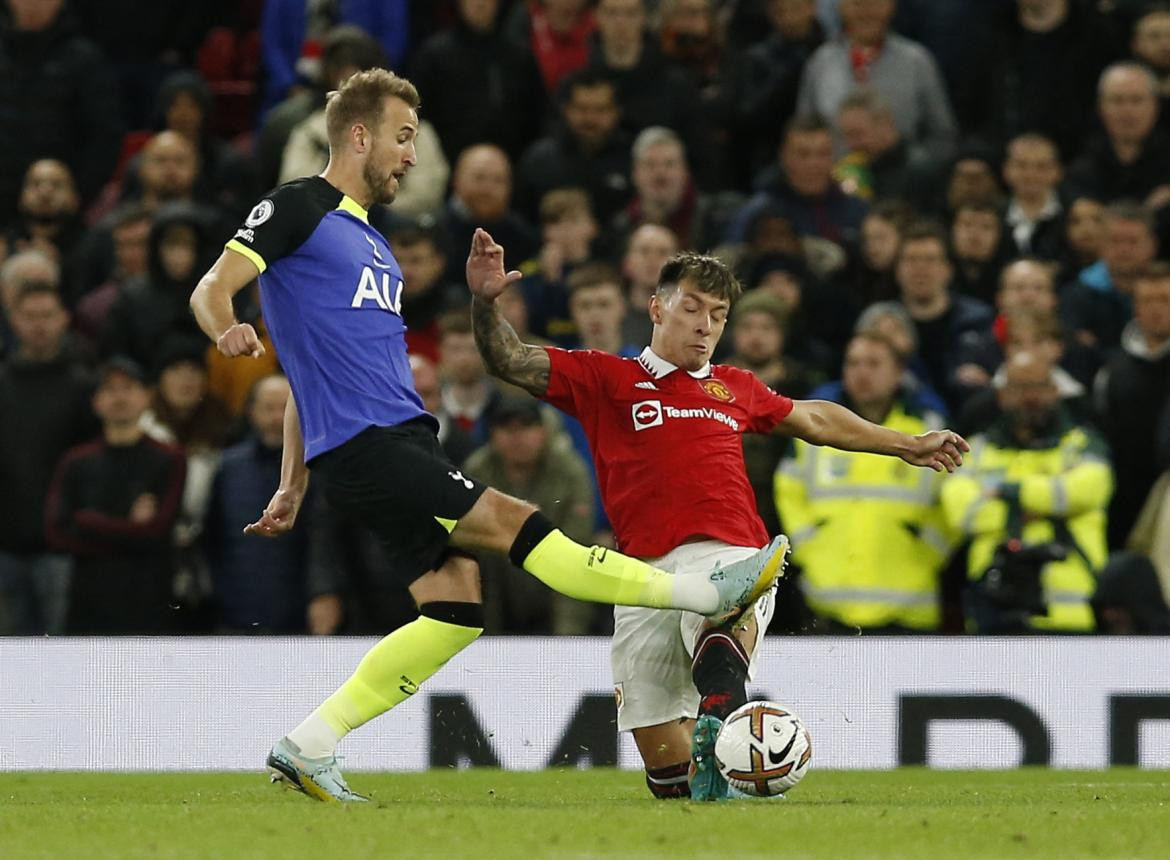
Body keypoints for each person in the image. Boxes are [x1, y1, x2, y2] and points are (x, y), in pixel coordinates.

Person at [188, 68, 787, 803]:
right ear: (358, 134)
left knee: (455, 606)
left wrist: (291, 482)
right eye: (403, 138)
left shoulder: (370, 243)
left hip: (391, 445)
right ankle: (701, 590)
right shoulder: (296, 208)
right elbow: (211, 287)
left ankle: (308, 745)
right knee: (518, 526)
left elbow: (314, 374)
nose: (411, 156)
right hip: (376, 447)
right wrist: (228, 328)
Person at [470, 239, 968, 800]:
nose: (705, 325)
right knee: (667, 770)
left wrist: (903, 443)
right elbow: (509, 360)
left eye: (718, 314)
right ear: (657, 308)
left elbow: (815, 417)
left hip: (731, 551)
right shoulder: (605, 378)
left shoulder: (734, 385)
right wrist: (485, 304)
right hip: (642, 575)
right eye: (692, 308)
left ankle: (722, 722)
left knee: (720, 621)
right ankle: (714, 790)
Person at [776, 331, 948, 632]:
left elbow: (952, 497)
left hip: (908, 605)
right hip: (827, 601)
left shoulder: (925, 432)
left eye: (873, 364)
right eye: (853, 363)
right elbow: (788, 489)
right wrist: (808, 546)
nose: (861, 372)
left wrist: (929, 552)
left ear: (898, 373)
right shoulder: (817, 431)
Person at [941, 350, 1111, 633]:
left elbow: (1088, 490)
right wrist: (1037, 507)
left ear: (1056, 391)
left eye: (1038, 386)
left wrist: (1008, 494)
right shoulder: (976, 449)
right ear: (1002, 395)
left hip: (1070, 614)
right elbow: (961, 511)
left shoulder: (1082, 445)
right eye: (1019, 387)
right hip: (993, 610)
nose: (1029, 397)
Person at [44, 357, 187, 634]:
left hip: (148, 598)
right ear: (96, 401)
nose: (119, 397)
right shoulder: (76, 461)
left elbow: (158, 531)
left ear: (146, 396)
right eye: (110, 389)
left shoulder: (169, 458)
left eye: (129, 388)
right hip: (89, 599)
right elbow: (56, 533)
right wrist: (132, 528)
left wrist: (89, 522)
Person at [203, 375, 339, 634]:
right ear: (250, 411)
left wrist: (325, 592)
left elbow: (327, 536)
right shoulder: (229, 467)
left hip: (303, 606)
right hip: (236, 609)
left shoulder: (319, 467)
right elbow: (212, 536)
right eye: (268, 408)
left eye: (284, 409)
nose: (277, 418)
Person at [0, 282, 96, 635]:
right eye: (30, 316)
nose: (38, 325)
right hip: (5, 548)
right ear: (14, 321)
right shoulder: (3, 385)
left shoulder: (83, 387)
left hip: (62, 549)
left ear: (63, 320)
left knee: (59, 654)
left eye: (46, 316)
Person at [463, 396, 601, 634]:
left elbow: (576, 551)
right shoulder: (478, 470)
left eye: (527, 426)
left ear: (544, 431)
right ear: (492, 435)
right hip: (498, 585)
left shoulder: (569, 471)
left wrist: (567, 641)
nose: (517, 438)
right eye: (507, 428)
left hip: (553, 582)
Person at [796, 0, 957, 158]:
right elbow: (804, 131)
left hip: (902, 177)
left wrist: (911, 165)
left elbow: (943, 137)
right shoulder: (820, 62)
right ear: (841, 7)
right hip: (834, 178)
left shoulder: (917, 61)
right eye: (858, 3)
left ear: (892, 6)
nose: (867, 12)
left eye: (875, 3)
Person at [1096, 262, 1170, 549]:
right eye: (1148, 300)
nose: (1156, 309)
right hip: (1123, 500)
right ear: (1135, 306)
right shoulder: (1113, 371)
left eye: (1165, 300)